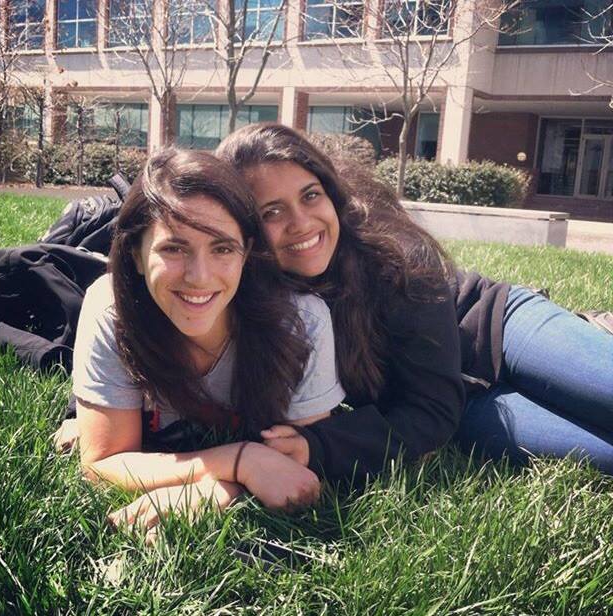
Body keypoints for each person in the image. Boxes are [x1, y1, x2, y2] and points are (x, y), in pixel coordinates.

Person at [215, 122, 613, 481]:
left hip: (496, 327)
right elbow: (427, 413)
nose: (301, 222)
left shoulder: (392, 255)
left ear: (331, 193)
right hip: (463, 406)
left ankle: (587, 328)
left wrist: (319, 447)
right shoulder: (252, 301)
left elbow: (428, 408)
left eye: (310, 195)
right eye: (272, 212)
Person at [72, 148, 345, 533]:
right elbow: (102, 463)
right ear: (136, 254)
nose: (199, 277)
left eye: (222, 248)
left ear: (246, 253)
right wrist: (240, 462)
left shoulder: (301, 323)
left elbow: (296, 470)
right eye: (174, 248)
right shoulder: (111, 312)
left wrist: (222, 490)